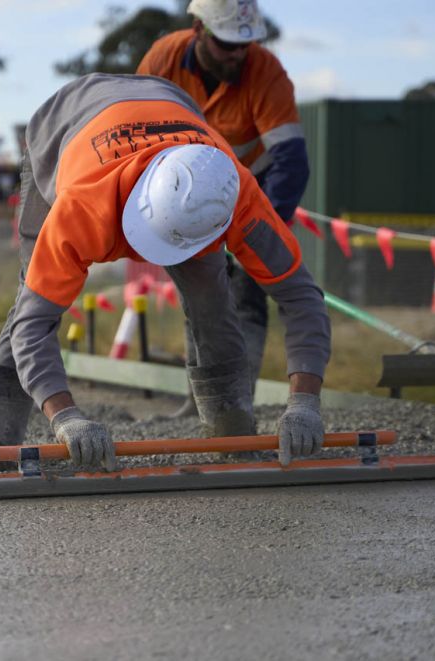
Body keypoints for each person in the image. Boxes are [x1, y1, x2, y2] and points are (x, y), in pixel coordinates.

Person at [0, 73, 330, 473]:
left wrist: (304, 403)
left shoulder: (235, 193)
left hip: (173, 116)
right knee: (31, 299)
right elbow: (33, 326)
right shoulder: (81, 208)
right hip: (63, 129)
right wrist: (66, 417)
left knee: (212, 299)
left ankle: (232, 437)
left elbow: (301, 296)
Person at [137, 0, 310, 400]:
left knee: (246, 296)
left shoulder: (266, 72)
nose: (237, 55)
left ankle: (237, 403)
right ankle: (200, 405)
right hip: (185, 192)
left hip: (254, 190)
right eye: (226, 44)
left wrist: (257, 234)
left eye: (243, 46)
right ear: (199, 28)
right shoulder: (163, 59)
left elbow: (292, 163)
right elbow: (137, 134)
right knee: (197, 293)